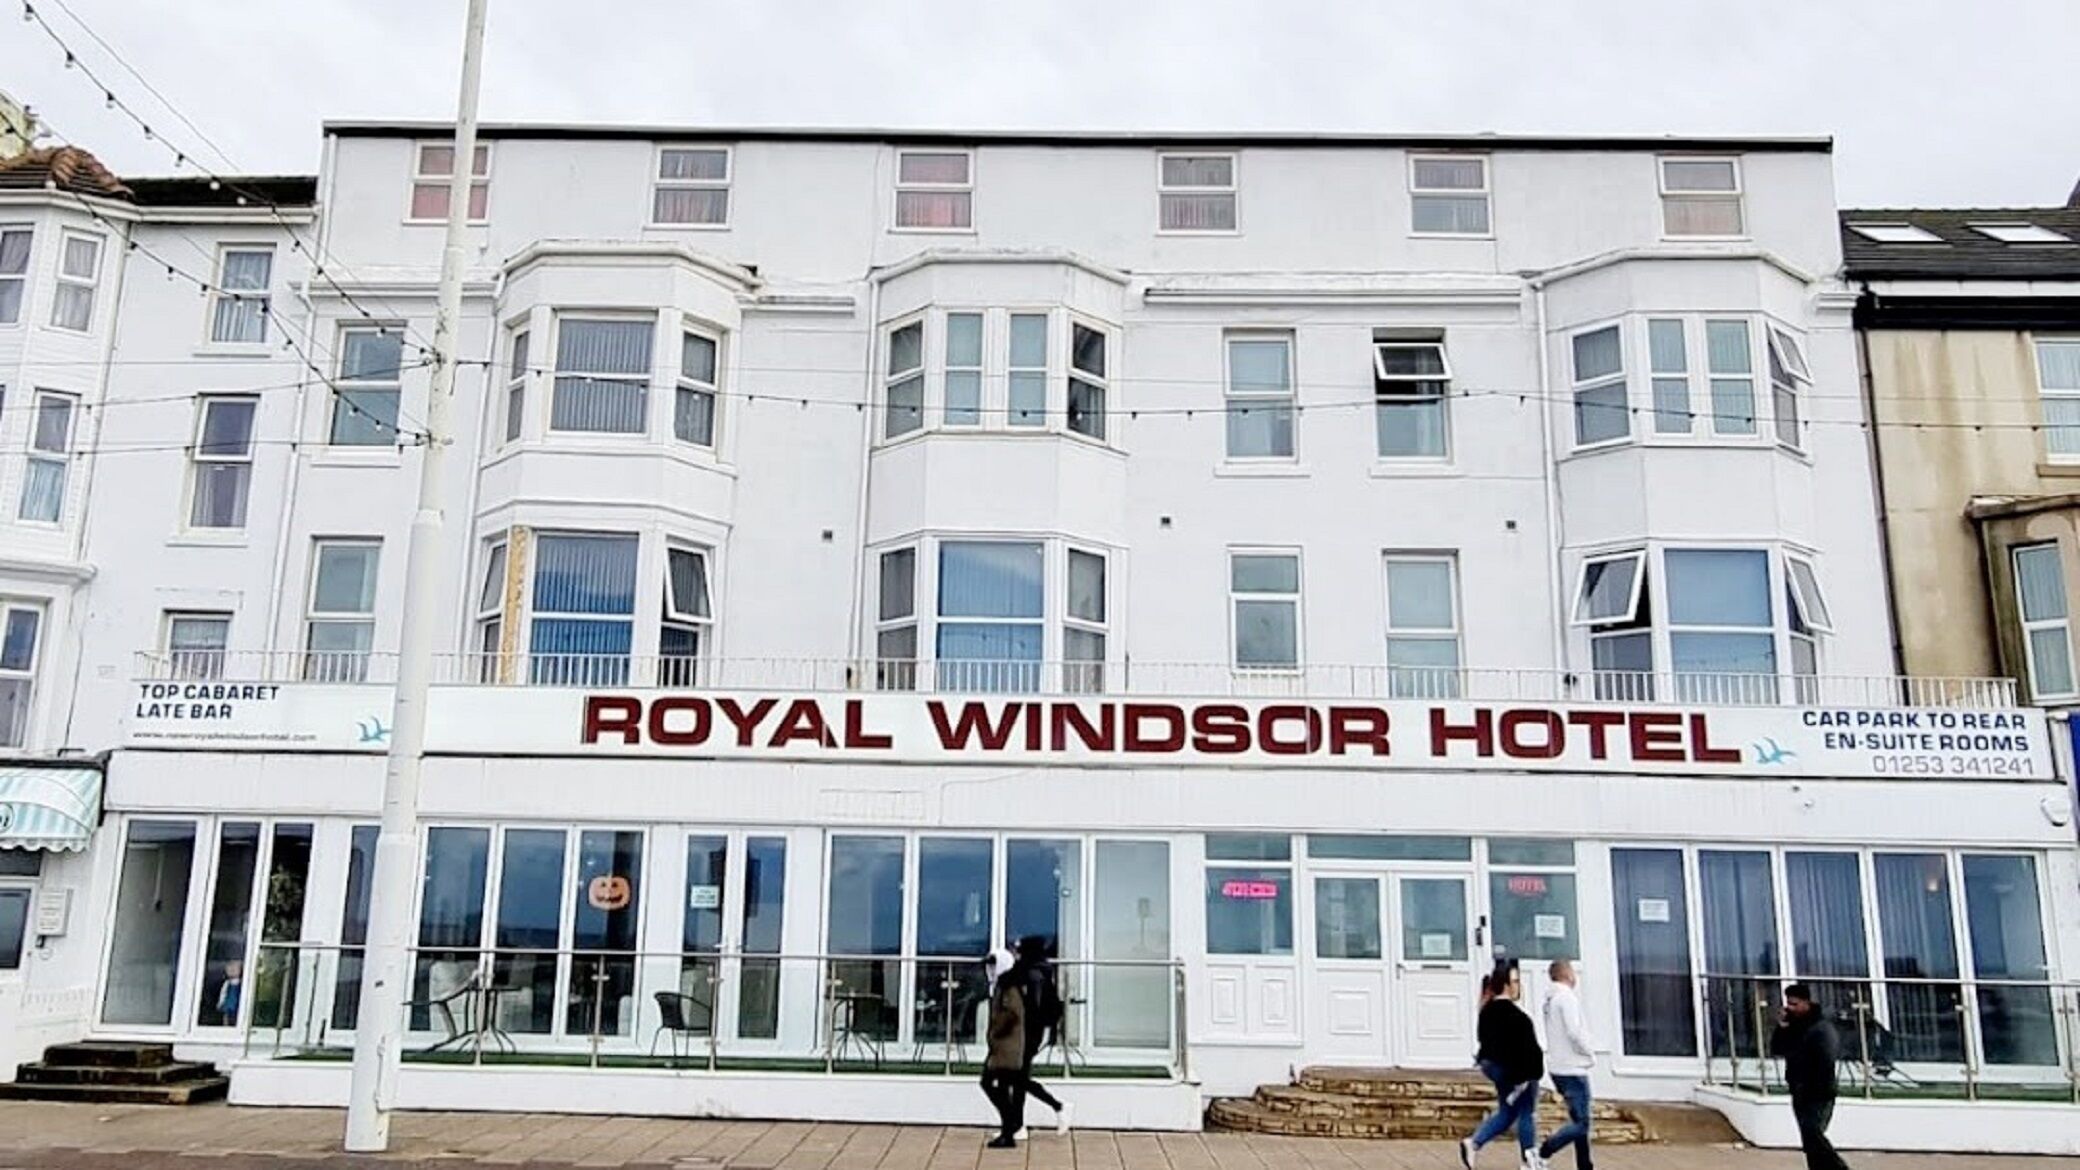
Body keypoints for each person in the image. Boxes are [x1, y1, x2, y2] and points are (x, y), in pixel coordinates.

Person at [1461, 962, 1545, 1170]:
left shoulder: (1486, 1011)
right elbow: (1527, 1050)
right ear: (1506, 985)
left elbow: (1486, 1043)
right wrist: (1531, 1074)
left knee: (1507, 1114)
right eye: (1515, 981)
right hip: (1521, 1073)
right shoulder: (1518, 1018)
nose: (1518, 986)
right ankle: (1529, 1160)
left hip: (1500, 1071)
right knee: (1526, 1113)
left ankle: (1474, 1142)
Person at [1770, 983, 1850, 1170]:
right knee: (1809, 1140)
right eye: (1788, 1003)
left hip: (1818, 1092)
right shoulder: (1794, 1026)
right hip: (1799, 1090)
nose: (1790, 1008)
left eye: (1794, 1004)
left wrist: (1816, 1085)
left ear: (1806, 1003)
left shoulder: (1821, 1028)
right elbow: (1778, 1049)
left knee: (1813, 1134)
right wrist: (1782, 1028)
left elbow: (1826, 1059)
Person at [1011, 935, 1073, 1136]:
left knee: (1017, 1076)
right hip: (1031, 1030)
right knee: (1018, 1076)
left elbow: (1033, 1005)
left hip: (1028, 1031)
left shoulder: (1033, 973)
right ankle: (1018, 1125)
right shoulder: (1040, 970)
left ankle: (1058, 1106)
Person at [1538, 960, 1595, 1170]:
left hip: (1557, 1067)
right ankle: (1546, 1149)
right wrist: (1589, 1051)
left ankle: (1584, 1164)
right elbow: (1574, 1032)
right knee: (1582, 1123)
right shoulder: (1566, 998)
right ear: (1567, 974)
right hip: (1573, 1066)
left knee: (1578, 1119)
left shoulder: (1550, 1000)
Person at [978, 948, 1027, 1149]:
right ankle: (1009, 1128)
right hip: (1002, 1047)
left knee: (989, 1083)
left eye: (993, 964)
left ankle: (1009, 1127)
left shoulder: (1009, 987)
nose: (990, 969)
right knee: (997, 1086)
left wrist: (996, 1030)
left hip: (1007, 1047)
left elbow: (1012, 1013)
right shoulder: (1003, 985)